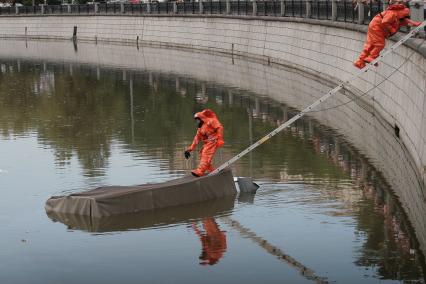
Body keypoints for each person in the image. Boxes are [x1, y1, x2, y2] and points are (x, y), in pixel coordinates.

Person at [353, 0, 422, 69]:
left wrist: (415, 24)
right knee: (380, 44)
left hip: (375, 26)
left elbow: (405, 21)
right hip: (377, 27)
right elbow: (385, 22)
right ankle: (371, 57)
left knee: (370, 45)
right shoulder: (392, 14)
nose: (405, 16)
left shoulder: (398, 16)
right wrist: (392, 29)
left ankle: (360, 62)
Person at [184, 109, 224, 177]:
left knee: (206, 154)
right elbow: (196, 139)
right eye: (196, 120)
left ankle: (200, 171)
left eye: (197, 120)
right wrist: (189, 149)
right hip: (208, 142)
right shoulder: (200, 129)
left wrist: (220, 139)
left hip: (214, 140)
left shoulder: (211, 121)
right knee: (201, 154)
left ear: (201, 118)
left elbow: (220, 128)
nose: (196, 122)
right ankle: (212, 170)